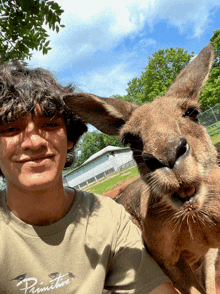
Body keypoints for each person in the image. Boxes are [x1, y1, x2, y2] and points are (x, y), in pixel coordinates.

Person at [0, 61, 179, 294]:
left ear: (70, 137)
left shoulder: (106, 217)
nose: (34, 142)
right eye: (11, 129)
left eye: (50, 124)